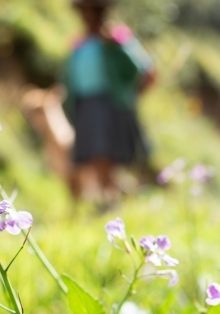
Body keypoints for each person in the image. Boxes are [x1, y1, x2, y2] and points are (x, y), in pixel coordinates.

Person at [61, 0, 155, 203]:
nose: (86, 16)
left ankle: (116, 197)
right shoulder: (79, 44)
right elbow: (69, 78)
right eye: (83, 12)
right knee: (96, 156)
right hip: (85, 105)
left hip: (109, 104)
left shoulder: (117, 38)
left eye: (90, 11)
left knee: (105, 153)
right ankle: (111, 196)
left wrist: (115, 47)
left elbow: (138, 69)